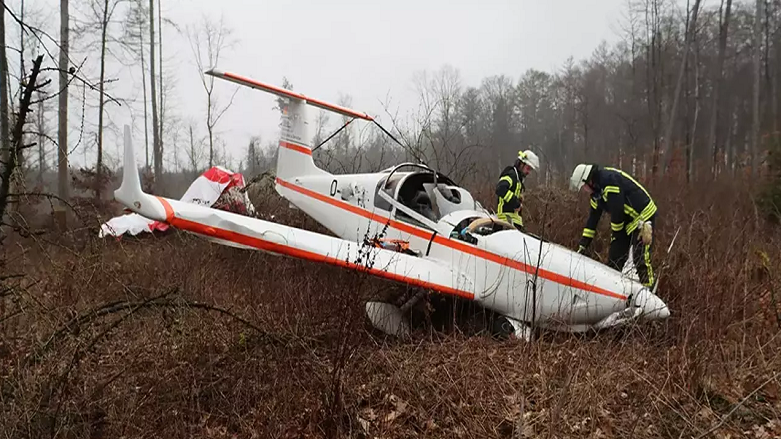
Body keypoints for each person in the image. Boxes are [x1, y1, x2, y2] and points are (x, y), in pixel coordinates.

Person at [569, 164, 657, 288]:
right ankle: (612, 291)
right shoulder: (595, 195)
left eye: (583, 187)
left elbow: (617, 210)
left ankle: (649, 290)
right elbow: (592, 220)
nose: (584, 190)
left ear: (589, 181)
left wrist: (616, 235)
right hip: (626, 219)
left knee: (640, 255)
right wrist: (583, 245)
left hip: (643, 215)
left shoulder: (609, 181)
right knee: (615, 258)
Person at [495, 149, 540, 232]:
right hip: (505, 222)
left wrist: (518, 199)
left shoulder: (518, 179)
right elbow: (500, 189)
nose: (528, 172)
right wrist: (516, 202)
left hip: (513, 222)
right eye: (528, 168)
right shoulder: (511, 174)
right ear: (521, 164)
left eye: (530, 170)